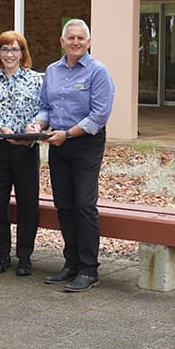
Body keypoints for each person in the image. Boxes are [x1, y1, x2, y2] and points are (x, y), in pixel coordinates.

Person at [27, 19, 114, 292]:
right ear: (62, 41)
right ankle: (71, 264)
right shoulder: (52, 71)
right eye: (71, 38)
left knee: (84, 205)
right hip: (58, 144)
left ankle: (89, 270)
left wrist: (69, 134)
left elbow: (99, 115)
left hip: (86, 143)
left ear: (88, 42)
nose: (76, 42)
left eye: (81, 38)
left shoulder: (98, 72)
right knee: (63, 205)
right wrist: (38, 125)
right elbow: (45, 107)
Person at [0, 31, 43, 276]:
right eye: (5, 49)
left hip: (26, 148)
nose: (10, 54)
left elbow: (42, 109)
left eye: (15, 49)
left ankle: (25, 256)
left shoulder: (36, 79)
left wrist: (34, 128)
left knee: (28, 202)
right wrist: (4, 130)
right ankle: (2, 253)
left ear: (22, 53)